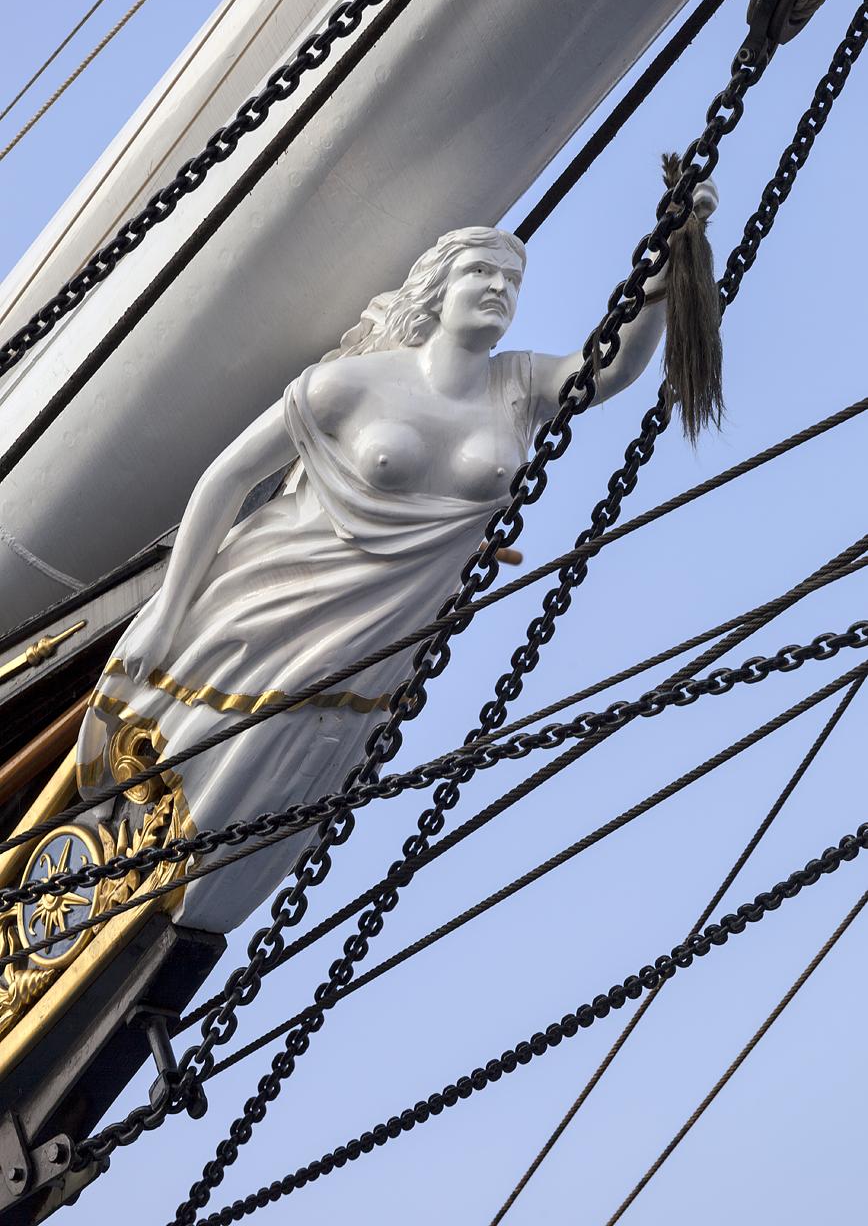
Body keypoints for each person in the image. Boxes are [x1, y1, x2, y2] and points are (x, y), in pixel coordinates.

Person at [75, 217, 708, 934]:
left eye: (511, 282)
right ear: (439, 290)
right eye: (481, 275)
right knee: (210, 745)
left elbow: (610, 367)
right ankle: (128, 872)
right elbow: (227, 480)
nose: (498, 290)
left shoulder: (520, 386)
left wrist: (660, 274)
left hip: (382, 640)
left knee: (287, 776)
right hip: (275, 602)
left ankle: (176, 908)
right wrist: (169, 608)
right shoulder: (350, 383)